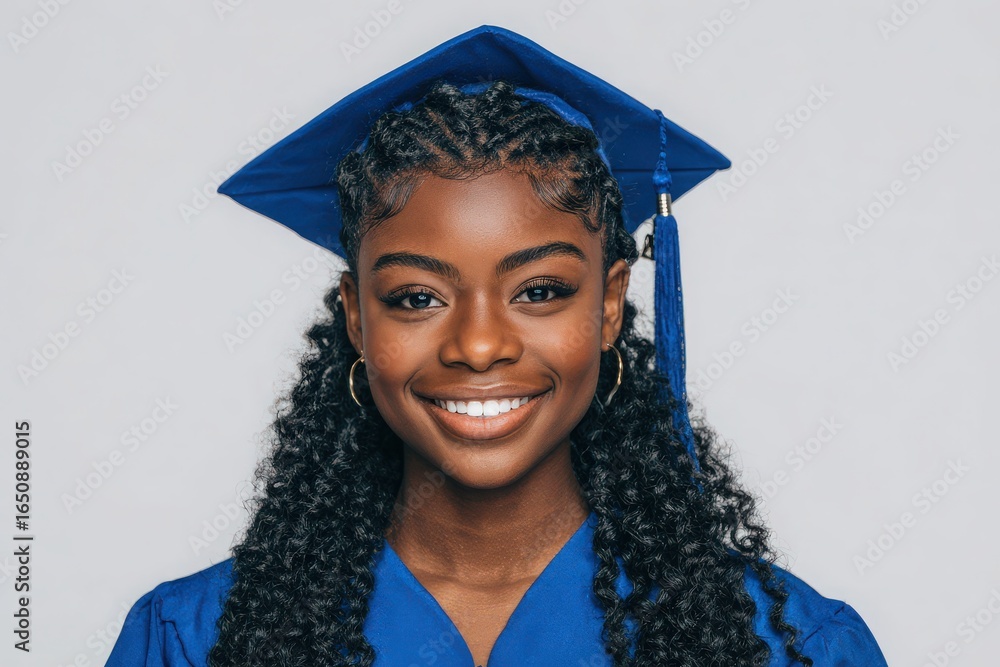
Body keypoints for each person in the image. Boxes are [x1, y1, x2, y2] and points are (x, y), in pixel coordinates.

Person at [105, 25, 887, 666]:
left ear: (612, 303)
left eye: (540, 290)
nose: (478, 345)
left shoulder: (785, 646)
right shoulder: (200, 640)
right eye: (417, 297)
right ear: (355, 316)